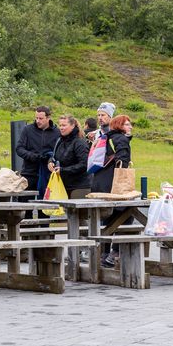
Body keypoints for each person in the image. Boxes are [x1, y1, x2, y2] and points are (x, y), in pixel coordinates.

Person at [91, 114, 133, 268]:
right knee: (126, 215)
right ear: (120, 126)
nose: (130, 127)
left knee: (108, 218)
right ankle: (115, 253)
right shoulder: (120, 139)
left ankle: (104, 253)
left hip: (99, 182)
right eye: (127, 124)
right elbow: (122, 161)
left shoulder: (104, 138)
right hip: (113, 184)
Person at [15, 106, 61, 203]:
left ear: (48, 118)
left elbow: (58, 152)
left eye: (41, 118)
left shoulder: (57, 132)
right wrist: (34, 156)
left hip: (47, 173)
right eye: (36, 118)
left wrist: (50, 159)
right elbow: (19, 148)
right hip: (29, 173)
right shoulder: (27, 130)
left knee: (44, 206)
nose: (38, 121)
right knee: (24, 205)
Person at [48, 115, 91, 199]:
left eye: (64, 125)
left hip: (79, 186)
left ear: (72, 126)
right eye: (60, 125)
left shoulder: (80, 142)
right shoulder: (60, 140)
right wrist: (50, 162)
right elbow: (54, 156)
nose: (61, 128)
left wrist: (63, 170)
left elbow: (84, 164)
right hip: (62, 184)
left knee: (77, 212)